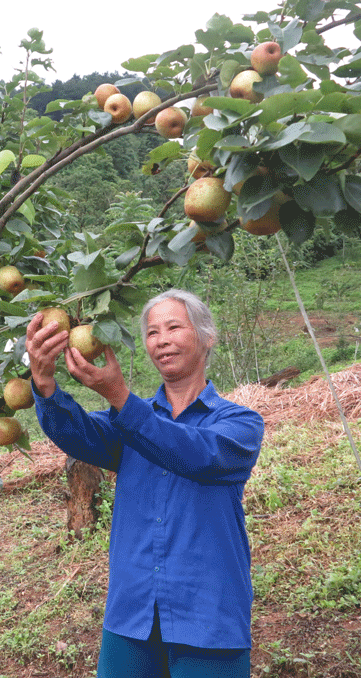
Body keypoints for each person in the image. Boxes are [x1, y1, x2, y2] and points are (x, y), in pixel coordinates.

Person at [26, 289, 264, 678]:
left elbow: (196, 453)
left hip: (207, 615)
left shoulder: (240, 424)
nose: (162, 340)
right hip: (131, 614)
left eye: (174, 327)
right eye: (152, 332)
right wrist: (45, 384)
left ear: (207, 337)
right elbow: (77, 432)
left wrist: (121, 397)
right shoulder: (128, 424)